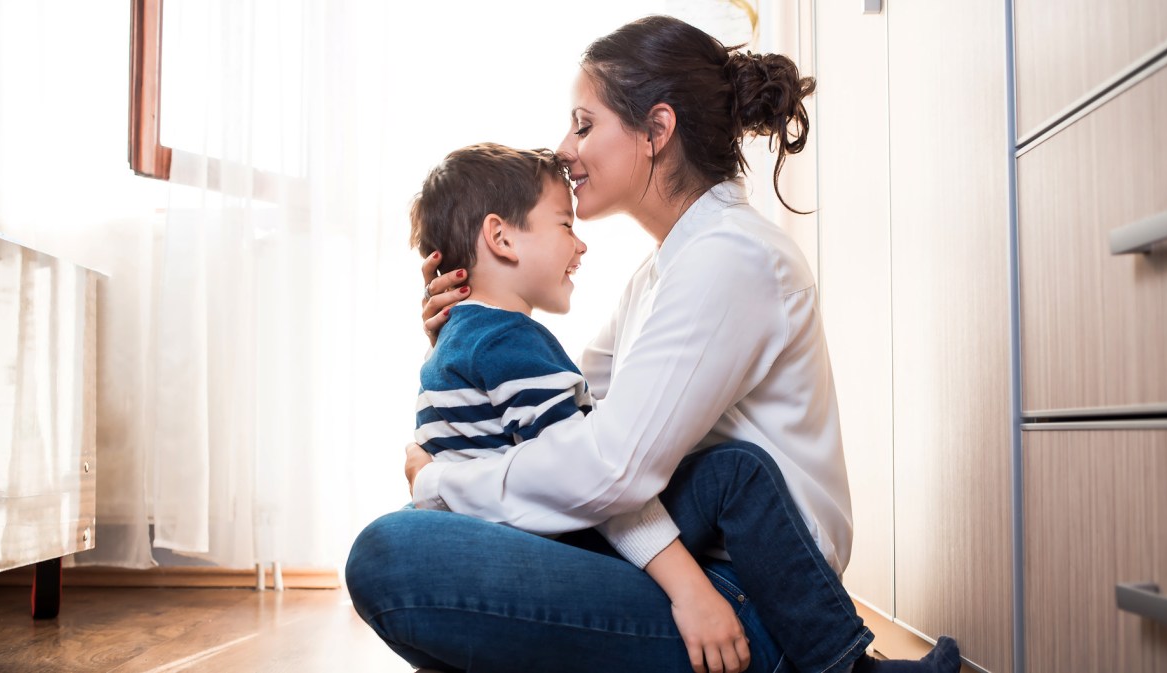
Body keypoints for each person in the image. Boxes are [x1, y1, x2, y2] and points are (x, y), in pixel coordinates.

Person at [347, 15, 960, 673]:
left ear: (656, 132)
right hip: (693, 565)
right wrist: (463, 342)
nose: (564, 147)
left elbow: (605, 465)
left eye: (584, 124)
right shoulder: (665, 270)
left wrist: (445, 480)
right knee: (425, 541)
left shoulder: (728, 259)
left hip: (755, 597)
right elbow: (571, 429)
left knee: (390, 552)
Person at [408, 141, 750, 673]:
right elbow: (589, 472)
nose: (580, 244)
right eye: (565, 225)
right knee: (739, 472)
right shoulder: (510, 343)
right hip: (543, 556)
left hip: (488, 551)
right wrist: (692, 591)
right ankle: (836, 654)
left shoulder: (452, 350)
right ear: (500, 237)